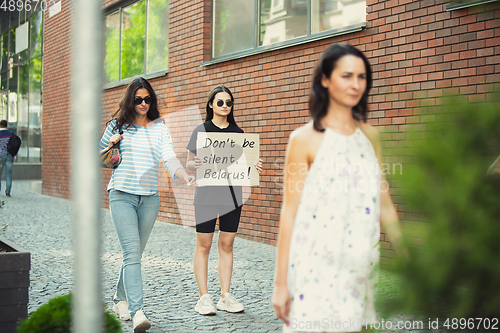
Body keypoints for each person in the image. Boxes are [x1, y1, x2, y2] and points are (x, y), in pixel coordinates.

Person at [272, 44, 403, 333]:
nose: (356, 84)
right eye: (346, 76)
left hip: (361, 265)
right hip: (314, 267)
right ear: (325, 79)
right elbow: (289, 213)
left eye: (362, 77)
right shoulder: (303, 139)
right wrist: (281, 284)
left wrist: (409, 256)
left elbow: (384, 202)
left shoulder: (371, 137)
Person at [99, 77, 194, 332]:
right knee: (132, 253)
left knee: (135, 254)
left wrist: (184, 175)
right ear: (131, 100)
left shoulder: (160, 128)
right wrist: (110, 145)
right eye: (138, 99)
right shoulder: (118, 126)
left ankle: (119, 300)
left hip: (150, 199)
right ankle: (137, 310)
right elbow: (101, 159)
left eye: (147, 99)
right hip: (122, 195)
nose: (143, 103)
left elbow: (169, 158)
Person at [186, 85, 263, 315]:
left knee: (227, 245)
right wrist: (194, 164)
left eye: (228, 102)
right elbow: (189, 163)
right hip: (206, 196)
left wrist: (254, 167)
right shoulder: (201, 131)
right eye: (220, 102)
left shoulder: (238, 134)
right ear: (211, 104)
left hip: (232, 196)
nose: (225, 106)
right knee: (205, 245)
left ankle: (225, 296)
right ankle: (204, 297)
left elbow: (245, 166)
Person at [0, 120, 13, 197]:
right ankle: (7, 192)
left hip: (0, 156)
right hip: (9, 156)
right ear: (6, 125)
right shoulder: (11, 134)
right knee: (8, 174)